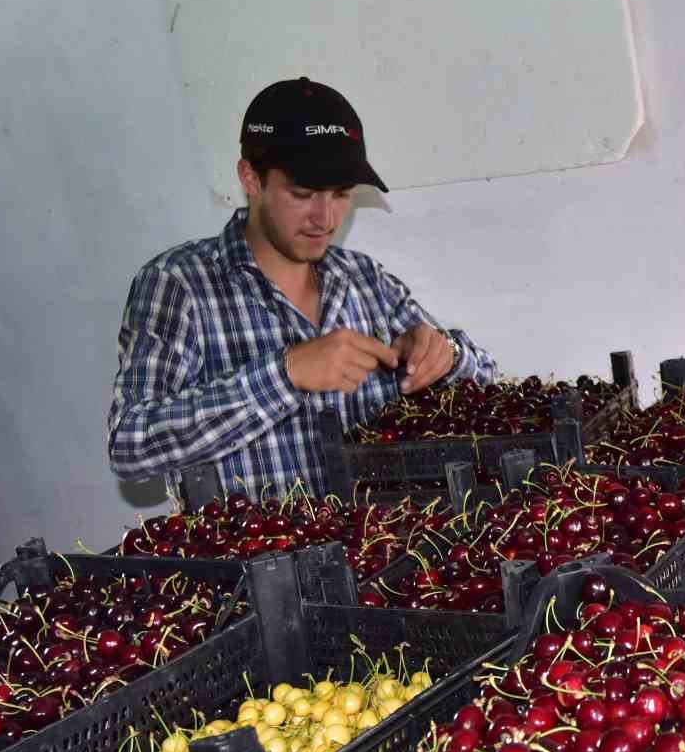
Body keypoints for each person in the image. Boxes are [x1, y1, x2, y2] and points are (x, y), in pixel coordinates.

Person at [107, 78, 498, 495]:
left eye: (341, 194)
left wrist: (445, 354)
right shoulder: (180, 284)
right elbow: (130, 442)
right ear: (251, 179)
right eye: (303, 193)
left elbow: (489, 384)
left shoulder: (367, 282)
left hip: (385, 550)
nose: (325, 217)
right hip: (261, 557)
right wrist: (284, 374)